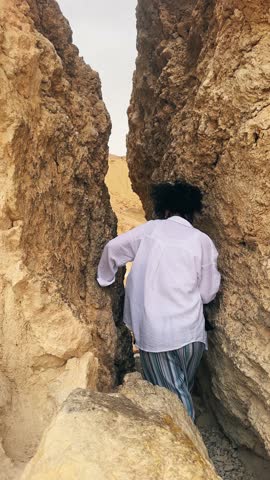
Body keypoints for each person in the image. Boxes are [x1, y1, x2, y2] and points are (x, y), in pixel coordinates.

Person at [97, 181, 221, 421]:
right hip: (192, 335)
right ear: (191, 213)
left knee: (173, 400)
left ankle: (186, 452)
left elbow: (112, 249)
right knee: (182, 387)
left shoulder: (151, 231)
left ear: (164, 210)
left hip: (158, 337)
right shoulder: (202, 240)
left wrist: (105, 278)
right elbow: (208, 293)